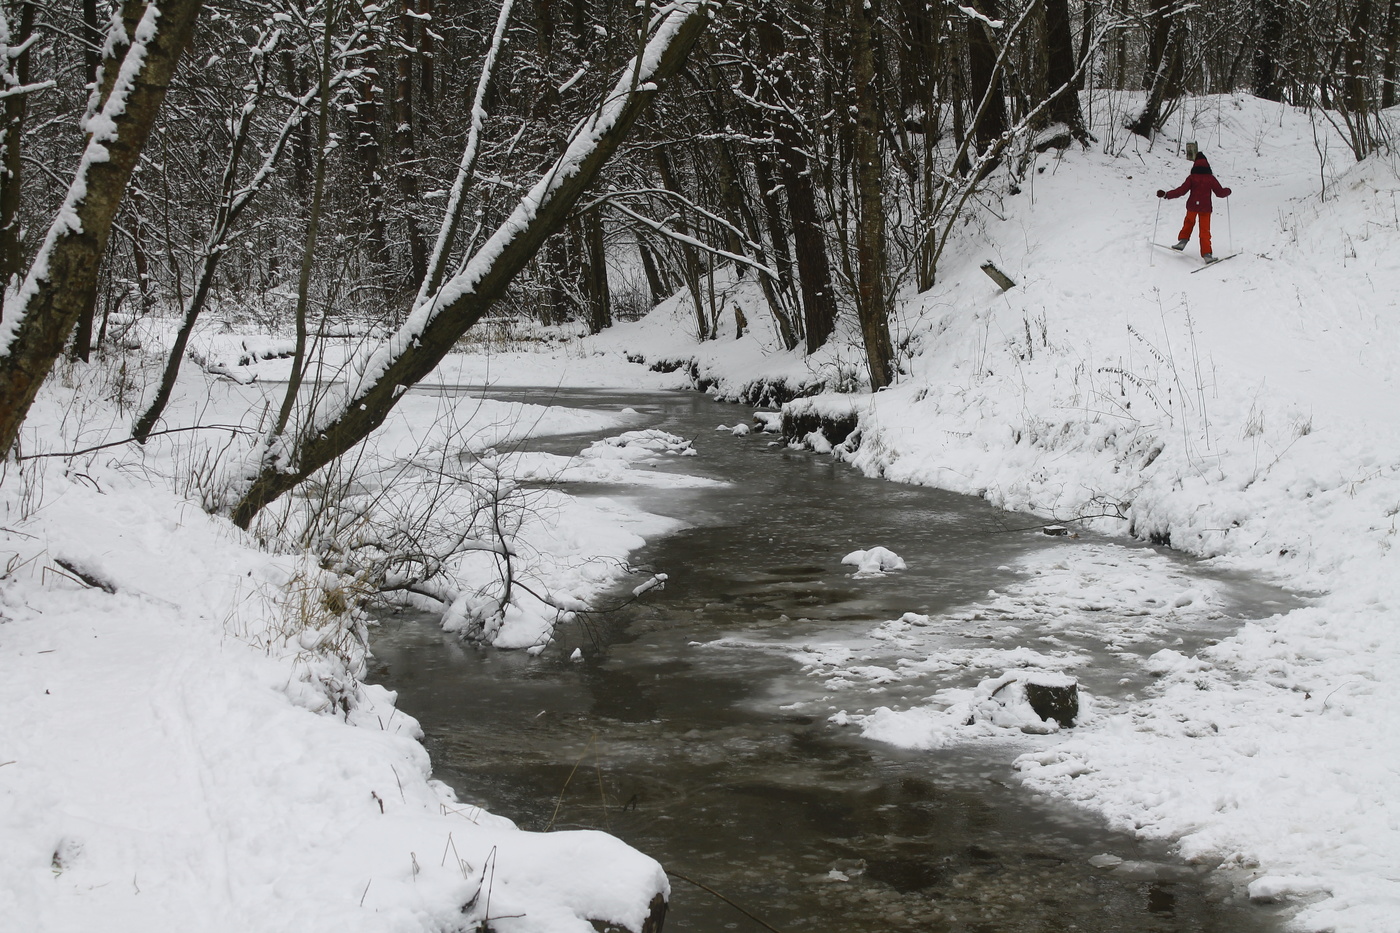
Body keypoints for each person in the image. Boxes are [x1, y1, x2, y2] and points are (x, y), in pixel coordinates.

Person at [1157, 153, 1232, 262]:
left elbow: (1181, 191)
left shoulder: (1192, 178)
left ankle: (1182, 241)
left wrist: (1166, 195)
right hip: (1205, 208)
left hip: (1192, 206)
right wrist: (1228, 191)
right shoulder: (1210, 178)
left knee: (1188, 223)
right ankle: (1207, 254)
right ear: (1207, 165)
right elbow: (1220, 193)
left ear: (1195, 164)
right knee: (1205, 230)